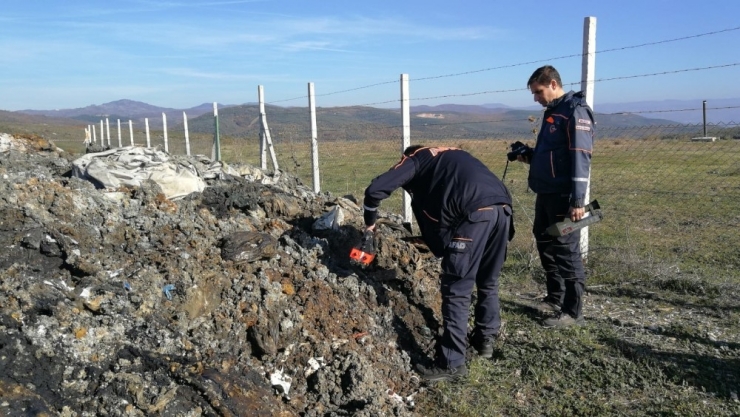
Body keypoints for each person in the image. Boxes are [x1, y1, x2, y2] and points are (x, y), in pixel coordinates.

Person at [363, 145, 513, 382]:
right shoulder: (450, 158)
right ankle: (485, 340)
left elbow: (375, 190)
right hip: (502, 210)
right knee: (488, 280)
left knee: (456, 289)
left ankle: (452, 363)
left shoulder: (417, 158)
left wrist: (369, 224)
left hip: (475, 214)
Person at [520, 65, 595, 328]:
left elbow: (580, 157)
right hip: (546, 192)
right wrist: (527, 155)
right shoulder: (553, 112)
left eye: (538, 92)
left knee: (566, 249)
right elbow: (553, 156)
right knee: (545, 241)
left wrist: (578, 201)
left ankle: (573, 313)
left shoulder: (575, 112)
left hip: (565, 196)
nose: (536, 98)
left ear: (553, 84)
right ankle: (555, 297)